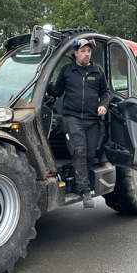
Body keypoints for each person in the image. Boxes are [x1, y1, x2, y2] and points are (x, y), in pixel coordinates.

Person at [48, 38, 110, 208]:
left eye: (88, 51)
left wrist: (104, 105)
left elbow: (105, 92)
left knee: (90, 154)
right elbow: (57, 91)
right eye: (83, 51)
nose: (86, 54)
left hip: (92, 120)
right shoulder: (67, 71)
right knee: (79, 151)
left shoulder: (98, 71)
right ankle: (84, 191)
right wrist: (47, 85)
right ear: (75, 53)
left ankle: (79, 182)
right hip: (72, 118)